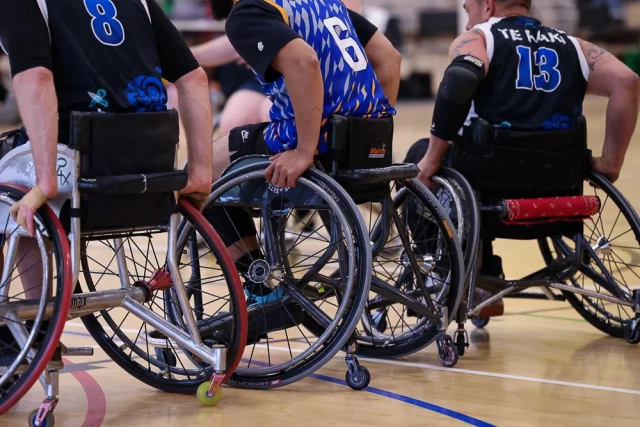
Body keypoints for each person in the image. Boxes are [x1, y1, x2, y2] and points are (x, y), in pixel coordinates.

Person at [0, 0, 213, 366]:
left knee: (14, 185)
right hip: (149, 164)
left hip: (78, 165)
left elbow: (35, 77)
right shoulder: (140, 3)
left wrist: (46, 181)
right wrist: (200, 172)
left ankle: (29, 329)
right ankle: (39, 328)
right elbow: (193, 77)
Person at [406, 0, 640, 319]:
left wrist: (430, 160)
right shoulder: (573, 47)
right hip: (559, 187)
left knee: (421, 156)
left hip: (490, 192)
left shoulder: (480, 38)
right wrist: (610, 162)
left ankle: (453, 272)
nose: (466, 23)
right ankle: (485, 273)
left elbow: (460, 79)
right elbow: (627, 82)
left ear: (487, 6)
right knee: (471, 163)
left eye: (467, 10)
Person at [204, 0, 401, 308]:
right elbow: (389, 59)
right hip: (366, 144)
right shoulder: (327, 3)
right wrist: (368, 131)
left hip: (315, 142)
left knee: (200, 174)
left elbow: (303, 61)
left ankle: (258, 287)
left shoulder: (247, 12)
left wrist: (303, 151)